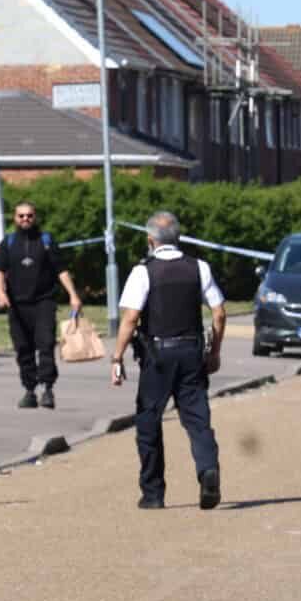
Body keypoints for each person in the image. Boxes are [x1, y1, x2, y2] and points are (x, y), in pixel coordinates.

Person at [109, 211, 225, 511]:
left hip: (157, 355)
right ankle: (207, 469)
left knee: (149, 421)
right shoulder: (199, 268)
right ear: (178, 238)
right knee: (198, 419)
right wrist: (214, 352)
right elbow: (219, 312)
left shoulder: (143, 271)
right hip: (191, 353)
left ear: (150, 240)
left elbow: (131, 318)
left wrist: (117, 356)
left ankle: (153, 493)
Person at [0, 200, 85, 409]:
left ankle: (48, 389)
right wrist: (0, 292)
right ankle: (29, 390)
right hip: (17, 305)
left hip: (44, 301)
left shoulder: (46, 241)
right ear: (15, 218)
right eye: (21, 216)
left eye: (29, 216)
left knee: (45, 344)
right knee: (23, 349)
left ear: (35, 217)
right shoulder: (8, 243)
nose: (26, 219)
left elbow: (61, 270)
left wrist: (73, 295)